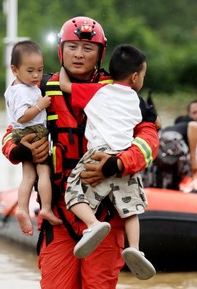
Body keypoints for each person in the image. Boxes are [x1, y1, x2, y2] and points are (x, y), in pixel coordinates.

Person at [1, 16, 159, 289]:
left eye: (87, 49)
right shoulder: (38, 88)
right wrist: (19, 149)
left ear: (100, 54)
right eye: (72, 47)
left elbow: (148, 139)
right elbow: (10, 132)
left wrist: (117, 164)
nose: (78, 54)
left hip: (106, 217)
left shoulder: (119, 90)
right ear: (61, 50)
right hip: (60, 215)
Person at [59, 44, 156, 279]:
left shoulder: (96, 91)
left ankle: (92, 225)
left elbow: (64, 86)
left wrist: (62, 65)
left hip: (98, 153)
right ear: (135, 77)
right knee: (131, 210)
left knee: (72, 193)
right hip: (124, 154)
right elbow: (155, 124)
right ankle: (134, 248)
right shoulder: (138, 101)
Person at [4, 40, 62, 236]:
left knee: (28, 176)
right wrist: (41, 105)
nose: (36, 75)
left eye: (40, 70)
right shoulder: (22, 91)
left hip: (21, 134)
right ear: (14, 69)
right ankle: (45, 208)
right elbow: (21, 116)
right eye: (30, 71)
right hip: (34, 131)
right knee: (44, 172)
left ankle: (22, 208)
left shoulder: (15, 87)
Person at [152, 115, 197, 190]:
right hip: (172, 150)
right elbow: (195, 126)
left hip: (157, 152)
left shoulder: (167, 129)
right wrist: (194, 161)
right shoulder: (195, 126)